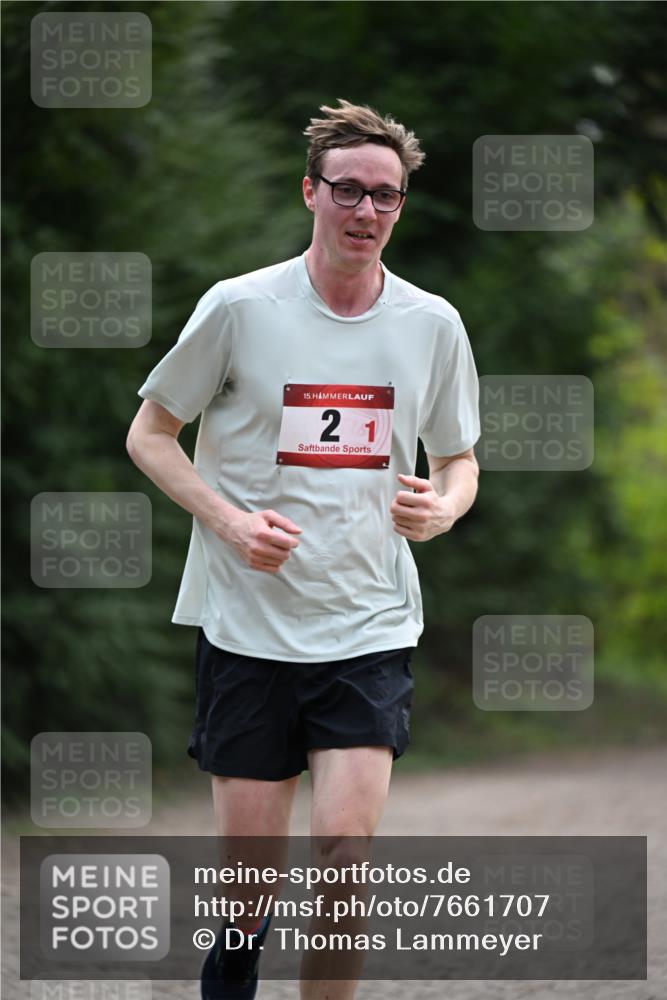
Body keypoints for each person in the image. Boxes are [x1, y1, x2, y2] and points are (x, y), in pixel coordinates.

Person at [127, 98, 480, 1000]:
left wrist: (441, 509)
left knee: (344, 861)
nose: (366, 212)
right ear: (310, 193)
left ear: (402, 207)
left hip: (367, 623)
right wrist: (229, 520)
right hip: (247, 629)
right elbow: (151, 434)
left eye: (386, 197)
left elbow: (458, 460)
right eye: (349, 191)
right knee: (249, 893)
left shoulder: (431, 323)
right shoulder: (240, 308)